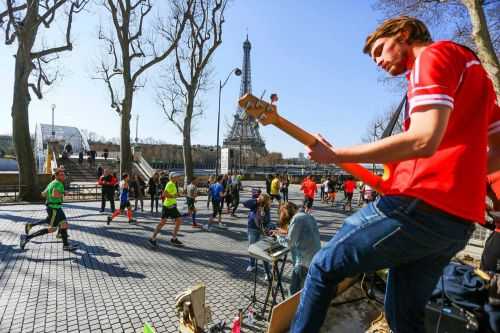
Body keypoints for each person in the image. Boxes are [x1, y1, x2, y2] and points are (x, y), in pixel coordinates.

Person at [291, 16, 499, 333]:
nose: (377, 61)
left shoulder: (431, 56)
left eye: (380, 50)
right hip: (457, 224)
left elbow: (422, 139)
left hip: (418, 207)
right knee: (403, 316)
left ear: (403, 35)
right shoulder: (480, 79)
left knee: (323, 266)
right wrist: (465, 178)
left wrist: (336, 155)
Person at [20, 168, 76, 251]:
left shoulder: (51, 183)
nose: (63, 176)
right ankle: (27, 237)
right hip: (54, 209)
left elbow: (43, 194)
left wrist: (50, 199)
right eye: (61, 175)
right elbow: (54, 194)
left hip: (55, 207)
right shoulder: (58, 183)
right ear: (56, 176)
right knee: (53, 229)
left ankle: (66, 245)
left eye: (64, 174)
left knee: (64, 224)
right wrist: (64, 193)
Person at [274, 202, 321, 295]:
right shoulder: (307, 215)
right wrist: (284, 232)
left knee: (294, 291)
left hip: (303, 261)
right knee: (304, 289)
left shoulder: (296, 219)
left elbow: (289, 243)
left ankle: (291, 309)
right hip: (314, 259)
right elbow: (302, 233)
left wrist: (277, 236)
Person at [148, 172, 184, 248]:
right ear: (172, 177)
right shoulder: (170, 184)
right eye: (176, 177)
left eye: (178, 176)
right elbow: (164, 194)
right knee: (177, 221)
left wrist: (175, 195)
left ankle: (153, 238)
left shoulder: (173, 183)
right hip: (169, 206)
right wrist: (173, 196)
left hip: (170, 206)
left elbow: (170, 194)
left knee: (165, 222)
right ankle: (173, 238)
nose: (178, 178)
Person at [243, 193, 271, 279]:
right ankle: (252, 264)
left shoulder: (266, 208)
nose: (261, 201)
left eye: (263, 200)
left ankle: (267, 272)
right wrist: (256, 200)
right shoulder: (254, 204)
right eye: (260, 199)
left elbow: (268, 220)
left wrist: (264, 216)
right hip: (252, 228)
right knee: (252, 247)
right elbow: (245, 203)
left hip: (262, 231)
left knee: (263, 251)